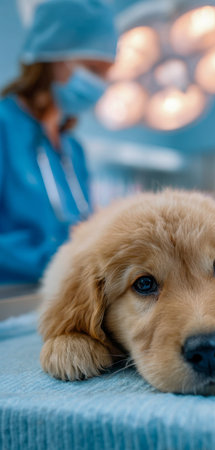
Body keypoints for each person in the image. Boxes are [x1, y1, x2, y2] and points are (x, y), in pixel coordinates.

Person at [0, 0, 117, 284]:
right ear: (52, 57)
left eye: (107, 72)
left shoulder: (73, 150)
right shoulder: (4, 127)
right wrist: (60, 262)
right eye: (92, 68)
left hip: (59, 296)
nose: (101, 83)